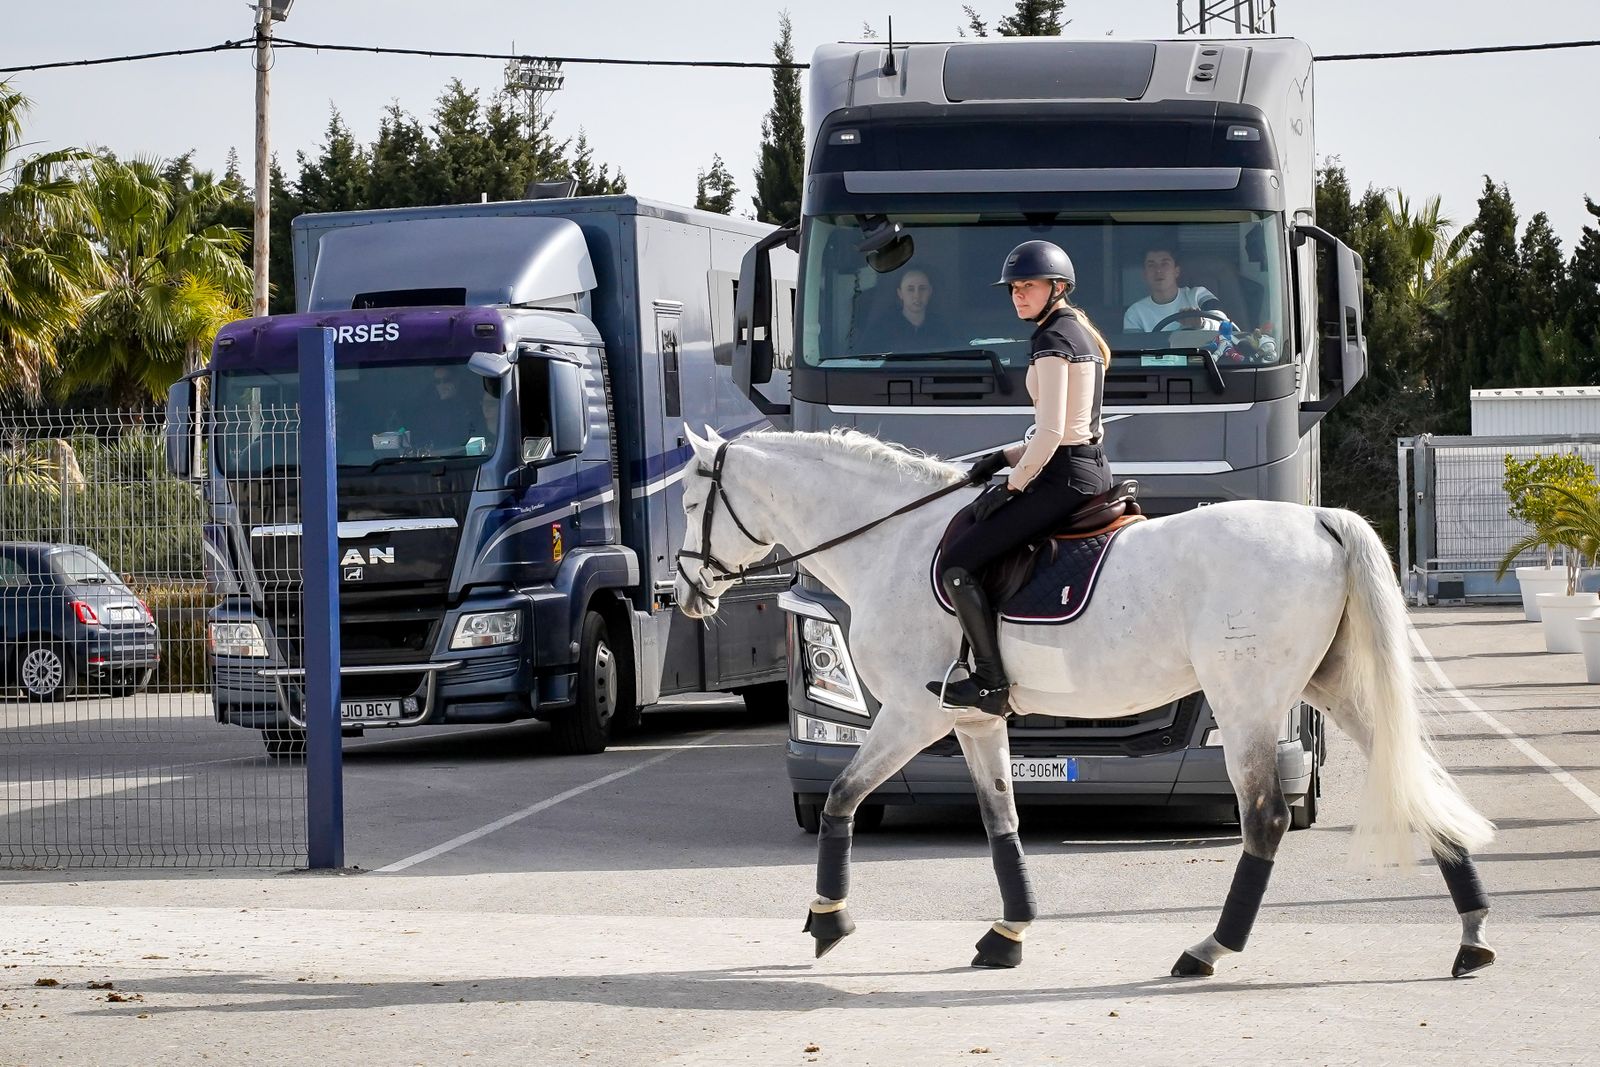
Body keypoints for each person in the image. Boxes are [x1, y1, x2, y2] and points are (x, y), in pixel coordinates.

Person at [928, 241, 1114, 716]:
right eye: (1013, 287)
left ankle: (991, 681)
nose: (1018, 295)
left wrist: (1010, 487)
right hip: (1087, 467)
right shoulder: (1081, 333)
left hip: (1062, 478)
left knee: (958, 564)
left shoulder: (1052, 340)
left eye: (1027, 285)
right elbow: (1071, 427)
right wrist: (1003, 456)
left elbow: (1052, 433)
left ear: (1058, 287)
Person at [1123, 244, 1229, 333]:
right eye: (1151, 265)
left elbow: (1224, 323)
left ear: (1176, 271)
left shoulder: (1198, 295)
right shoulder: (1135, 313)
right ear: (1145, 274)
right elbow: (1133, 351)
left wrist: (1202, 324)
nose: (1158, 270)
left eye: (1164, 264)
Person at [858, 267, 947, 351]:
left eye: (922, 288)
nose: (917, 295)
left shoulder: (940, 328)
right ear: (900, 293)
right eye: (910, 289)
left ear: (930, 291)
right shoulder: (881, 329)